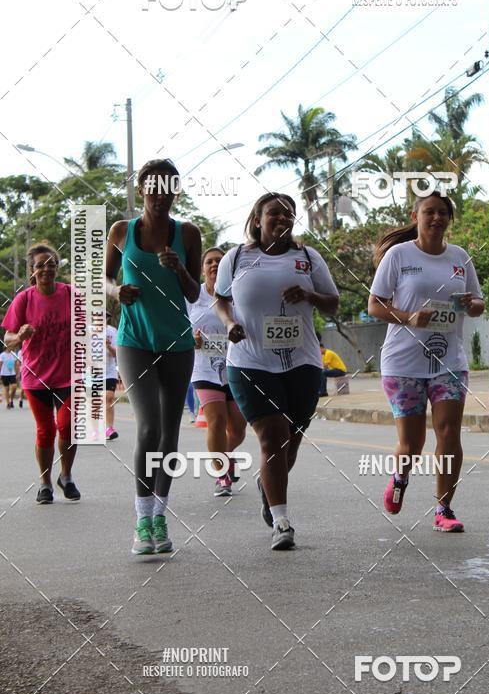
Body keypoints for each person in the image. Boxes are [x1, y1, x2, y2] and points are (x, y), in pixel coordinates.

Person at [214, 193, 339, 550]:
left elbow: (332, 304)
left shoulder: (308, 257)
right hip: (250, 362)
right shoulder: (236, 257)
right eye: (274, 213)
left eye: (289, 214)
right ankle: (281, 522)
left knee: (289, 444)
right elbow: (220, 299)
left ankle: (266, 483)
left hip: (302, 363)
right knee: (272, 437)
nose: (282, 219)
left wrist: (310, 296)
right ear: (257, 220)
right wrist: (229, 323)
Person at [368, 191, 484, 533]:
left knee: (448, 433)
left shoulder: (459, 257)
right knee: (412, 443)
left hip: (449, 361)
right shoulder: (398, 255)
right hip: (403, 363)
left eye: (443, 213)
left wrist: (471, 304)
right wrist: (409, 317)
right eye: (429, 212)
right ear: (415, 216)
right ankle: (400, 478)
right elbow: (375, 305)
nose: (436, 218)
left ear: (449, 219)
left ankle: (443, 509)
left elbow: (479, 304)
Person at [105, 158, 201, 555]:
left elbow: (194, 292)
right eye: (154, 187)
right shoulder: (121, 231)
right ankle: (142, 520)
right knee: (148, 427)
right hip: (135, 340)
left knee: (169, 432)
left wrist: (179, 270)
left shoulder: (188, 233)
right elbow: (105, 279)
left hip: (176, 341)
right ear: (141, 189)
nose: (161, 195)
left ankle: (160, 515)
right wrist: (116, 292)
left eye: (169, 188)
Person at [1, 243, 80, 503]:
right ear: (32, 271)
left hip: (69, 375)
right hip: (36, 376)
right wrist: (19, 336)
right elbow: (8, 338)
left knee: (68, 426)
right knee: (45, 430)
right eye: (40, 265)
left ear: (57, 267)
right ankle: (45, 482)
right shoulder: (24, 299)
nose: (46, 269)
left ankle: (66, 476)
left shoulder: (71, 294)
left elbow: (88, 324)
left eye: (51, 264)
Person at [187, 247, 247, 498]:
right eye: (209, 261)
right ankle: (221, 474)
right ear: (202, 269)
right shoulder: (193, 296)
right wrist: (191, 339)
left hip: (237, 365)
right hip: (204, 368)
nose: (214, 265)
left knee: (239, 428)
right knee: (217, 421)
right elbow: (180, 328)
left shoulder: (239, 293)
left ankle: (225, 455)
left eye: (219, 261)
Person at [105, 312, 119, 440]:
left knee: (109, 398)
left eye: (105, 317)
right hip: (91, 373)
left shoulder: (112, 331)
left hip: (109, 371)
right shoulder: (87, 331)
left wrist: (108, 346)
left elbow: (116, 354)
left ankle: (109, 428)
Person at [0, 339, 18, 408]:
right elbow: (0, 365)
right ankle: (8, 403)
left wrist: (17, 373)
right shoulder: (2, 355)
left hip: (12, 373)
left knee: (14, 386)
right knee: (6, 388)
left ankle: (11, 400)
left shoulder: (13, 354)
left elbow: (16, 365)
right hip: (4, 374)